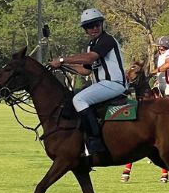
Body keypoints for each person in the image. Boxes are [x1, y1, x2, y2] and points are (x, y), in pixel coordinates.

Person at [49, 8, 126, 157]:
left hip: (114, 83)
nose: (94, 28)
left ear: (101, 25)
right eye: (90, 26)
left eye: (97, 24)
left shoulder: (106, 40)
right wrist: (63, 66)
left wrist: (63, 60)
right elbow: (86, 70)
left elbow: (89, 59)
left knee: (78, 99)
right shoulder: (92, 45)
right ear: (85, 30)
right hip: (102, 85)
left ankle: (95, 142)